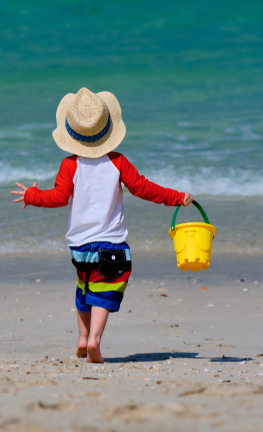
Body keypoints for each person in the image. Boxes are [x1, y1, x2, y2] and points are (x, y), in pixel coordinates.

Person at [11, 87, 193, 363]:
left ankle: (82, 339)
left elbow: (58, 198)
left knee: (84, 288)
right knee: (104, 290)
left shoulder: (70, 165)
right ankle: (95, 339)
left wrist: (31, 195)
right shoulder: (118, 162)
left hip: (80, 246)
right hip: (112, 244)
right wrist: (176, 198)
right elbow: (144, 188)